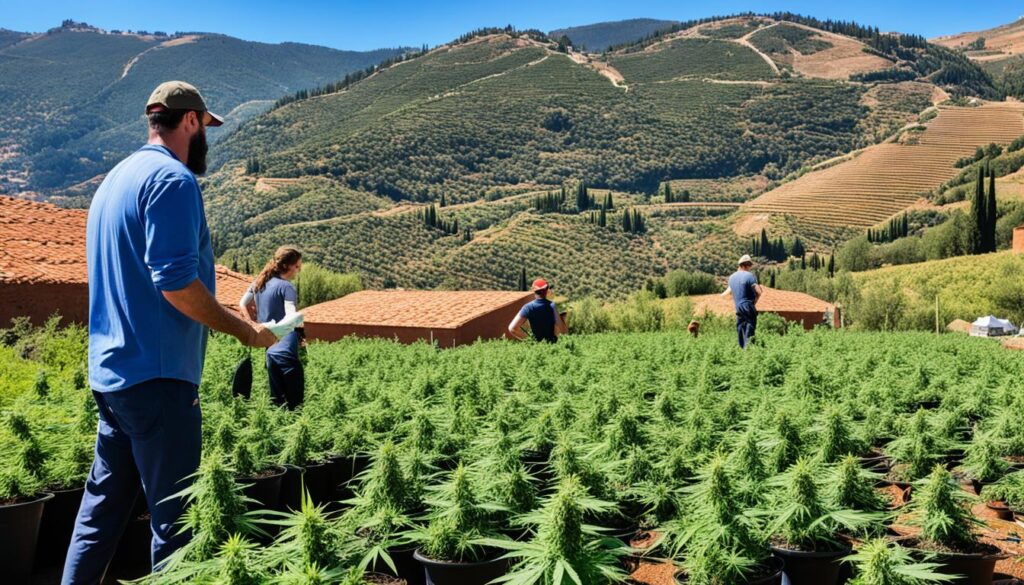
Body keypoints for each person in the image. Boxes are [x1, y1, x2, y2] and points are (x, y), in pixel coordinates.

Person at [64, 81, 276, 585]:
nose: (205, 138)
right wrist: (243, 332)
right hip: (159, 379)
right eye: (204, 126)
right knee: (176, 523)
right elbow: (177, 284)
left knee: (101, 514)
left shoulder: (114, 181)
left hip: (112, 377)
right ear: (189, 122)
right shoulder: (172, 181)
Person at [239, 246, 305, 409]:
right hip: (286, 347)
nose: (298, 271)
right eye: (297, 266)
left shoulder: (259, 283)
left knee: (276, 402)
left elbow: (242, 303)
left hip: (269, 347)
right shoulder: (286, 287)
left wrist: (252, 326)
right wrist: (300, 330)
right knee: (295, 405)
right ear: (286, 266)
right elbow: (291, 315)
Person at [721, 254, 763, 349]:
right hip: (748, 305)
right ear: (746, 265)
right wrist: (754, 302)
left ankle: (742, 348)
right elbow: (759, 292)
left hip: (738, 307)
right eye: (750, 265)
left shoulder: (731, 278)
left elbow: (727, 293)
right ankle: (748, 349)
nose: (750, 268)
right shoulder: (749, 276)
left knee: (740, 328)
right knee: (750, 327)